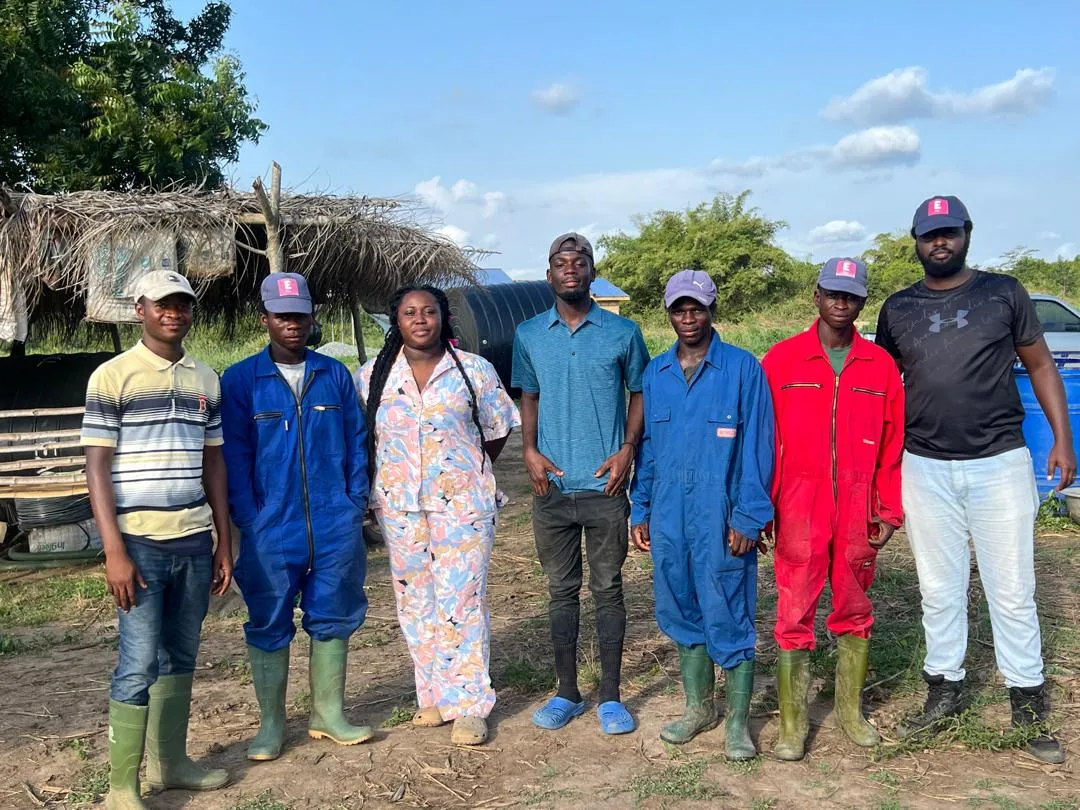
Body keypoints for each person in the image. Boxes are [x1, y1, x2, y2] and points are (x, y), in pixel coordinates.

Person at [876, 196, 1076, 764]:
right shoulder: (897, 308)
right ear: (915, 241)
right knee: (938, 589)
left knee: (1011, 589)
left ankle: (1027, 702)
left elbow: (1040, 364)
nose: (940, 243)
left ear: (967, 234)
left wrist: (1063, 440)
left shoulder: (1003, 293)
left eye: (949, 233)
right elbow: (886, 385)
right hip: (925, 465)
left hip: (999, 462)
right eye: (928, 235)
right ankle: (945, 690)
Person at [82, 270, 232, 809]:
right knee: (139, 660)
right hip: (138, 543)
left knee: (182, 653)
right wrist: (114, 550)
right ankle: (122, 786)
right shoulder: (112, 376)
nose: (174, 313)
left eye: (183, 305)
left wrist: (223, 539)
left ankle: (171, 764)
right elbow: (96, 466)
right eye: (163, 305)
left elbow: (213, 460)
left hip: (193, 538)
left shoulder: (205, 379)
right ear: (140, 309)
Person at [355, 285, 520, 746]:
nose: (421, 319)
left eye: (430, 311)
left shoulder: (474, 371)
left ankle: (469, 705)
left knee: (461, 601)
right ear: (397, 321)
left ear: (444, 318)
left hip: (464, 506)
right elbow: (366, 438)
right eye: (410, 313)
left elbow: (494, 432)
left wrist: (458, 469)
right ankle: (434, 696)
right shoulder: (372, 377)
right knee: (415, 603)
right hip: (400, 506)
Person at [220, 272, 372, 762]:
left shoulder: (335, 375)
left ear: (311, 318)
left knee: (333, 614)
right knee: (268, 618)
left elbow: (357, 443)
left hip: (334, 522)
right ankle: (271, 726)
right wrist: (250, 516)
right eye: (282, 315)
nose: (292, 324)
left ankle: (328, 714)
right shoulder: (240, 381)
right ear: (264, 318)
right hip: (270, 525)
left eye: (300, 315)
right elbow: (235, 457)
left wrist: (353, 503)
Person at [761, 258, 904, 760]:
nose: (841, 303)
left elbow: (892, 441)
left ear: (863, 302)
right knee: (794, 607)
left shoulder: (880, 366)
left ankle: (849, 711)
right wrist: (763, 505)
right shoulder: (781, 360)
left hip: (858, 504)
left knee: (854, 605)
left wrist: (888, 508)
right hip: (798, 502)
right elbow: (764, 440)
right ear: (816, 296)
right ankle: (793, 725)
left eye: (852, 295)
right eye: (833, 293)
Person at [629, 270, 774, 760]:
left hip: (722, 514)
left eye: (696, 308)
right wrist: (642, 506)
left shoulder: (741, 369)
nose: (688, 318)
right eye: (678, 309)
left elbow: (757, 447)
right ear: (668, 312)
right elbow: (648, 446)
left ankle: (737, 722)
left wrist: (749, 517)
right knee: (680, 607)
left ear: (712, 310)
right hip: (670, 515)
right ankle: (699, 708)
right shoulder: (656, 373)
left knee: (728, 610)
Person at [511, 232, 650, 735]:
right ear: (549, 275)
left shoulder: (622, 333)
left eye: (580, 261)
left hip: (605, 488)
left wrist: (628, 448)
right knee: (560, 591)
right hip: (552, 489)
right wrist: (528, 450)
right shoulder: (529, 334)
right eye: (560, 262)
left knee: (609, 589)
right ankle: (568, 692)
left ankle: (611, 696)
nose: (570, 268)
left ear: (593, 272)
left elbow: (639, 392)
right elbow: (529, 395)